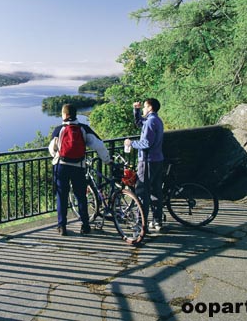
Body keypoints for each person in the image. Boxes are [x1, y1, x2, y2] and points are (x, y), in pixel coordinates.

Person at [49, 103, 110, 236]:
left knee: (62, 196)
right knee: (81, 196)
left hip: (62, 167)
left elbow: (51, 149)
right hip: (78, 167)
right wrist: (107, 160)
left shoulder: (59, 129)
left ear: (64, 115)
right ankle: (85, 225)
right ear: (75, 114)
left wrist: (57, 155)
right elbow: (99, 145)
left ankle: (62, 227)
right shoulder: (83, 128)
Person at [124, 98, 164, 233]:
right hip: (158, 160)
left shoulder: (151, 121)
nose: (143, 109)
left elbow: (146, 143)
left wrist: (131, 143)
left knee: (142, 191)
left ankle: (141, 224)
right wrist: (135, 110)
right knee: (156, 191)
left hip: (147, 161)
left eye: (145, 107)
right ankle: (157, 220)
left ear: (150, 108)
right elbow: (140, 123)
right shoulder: (156, 120)